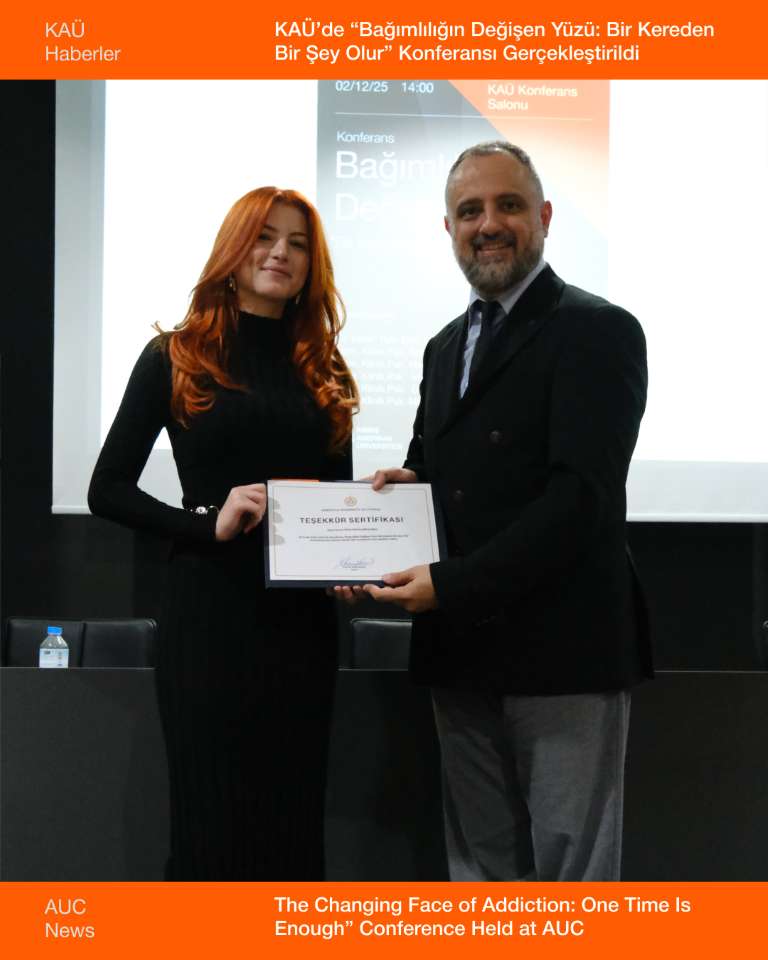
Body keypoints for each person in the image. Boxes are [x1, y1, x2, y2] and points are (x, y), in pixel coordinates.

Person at [341, 141, 651, 881]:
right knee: (481, 873)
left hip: (563, 650)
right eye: (470, 210)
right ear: (447, 228)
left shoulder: (598, 329)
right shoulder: (444, 347)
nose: (489, 224)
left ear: (544, 217)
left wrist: (450, 584)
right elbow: (438, 464)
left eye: (509, 205)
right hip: (462, 652)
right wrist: (403, 492)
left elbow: (580, 501)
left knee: (572, 877)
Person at [89, 186, 358, 880]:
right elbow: (106, 489)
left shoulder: (324, 367)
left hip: (303, 627)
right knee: (209, 829)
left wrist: (354, 560)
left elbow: (339, 500)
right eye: (265, 237)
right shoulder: (175, 355)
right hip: (208, 618)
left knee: (292, 829)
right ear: (234, 252)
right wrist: (206, 525)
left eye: (298, 243)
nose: (280, 253)